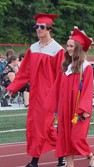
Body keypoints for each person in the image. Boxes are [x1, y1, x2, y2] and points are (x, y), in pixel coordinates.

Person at [6, 13, 65, 167]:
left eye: (42, 27)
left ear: (49, 29)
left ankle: (34, 162)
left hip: (49, 95)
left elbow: (61, 75)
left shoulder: (57, 50)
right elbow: (24, 72)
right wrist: (13, 88)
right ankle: (61, 158)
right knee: (45, 127)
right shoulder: (33, 48)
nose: (38, 30)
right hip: (35, 94)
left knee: (41, 126)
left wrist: (58, 97)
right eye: (37, 27)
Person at [53, 28, 94, 167]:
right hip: (65, 108)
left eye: (71, 46)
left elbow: (88, 90)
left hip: (78, 109)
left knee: (76, 138)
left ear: (78, 48)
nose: (68, 49)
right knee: (65, 137)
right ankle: (70, 164)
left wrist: (84, 109)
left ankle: (92, 156)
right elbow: (59, 89)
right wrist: (56, 108)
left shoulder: (86, 67)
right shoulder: (66, 66)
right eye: (67, 46)